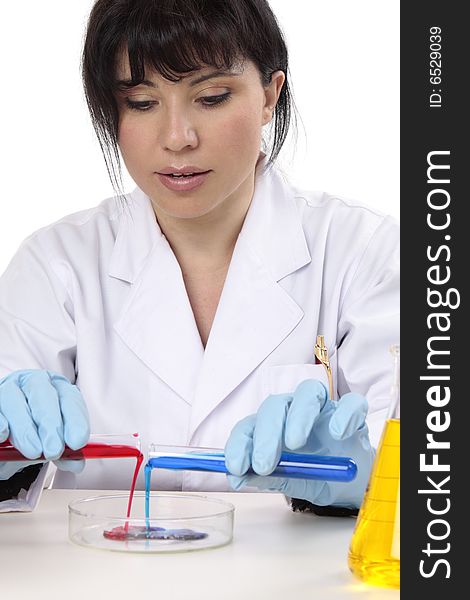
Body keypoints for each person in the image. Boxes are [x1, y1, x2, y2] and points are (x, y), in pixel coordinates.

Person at [0, 0, 398, 514]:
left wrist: (362, 473)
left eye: (211, 97)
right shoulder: (57, 264)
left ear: (269, 95)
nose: (176, 138)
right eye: (141, 102)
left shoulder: (364, 255)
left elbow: (433, 480)